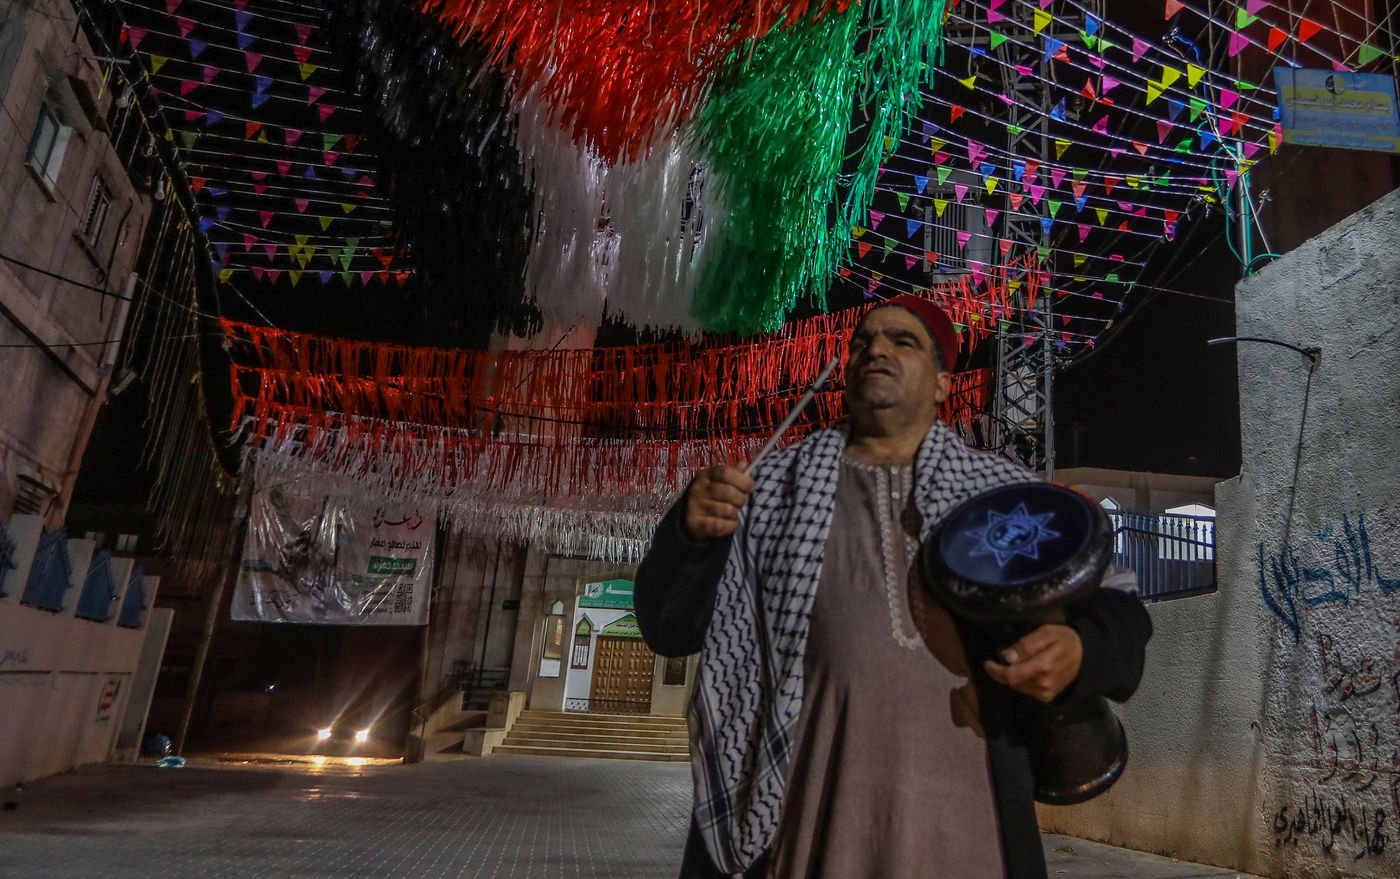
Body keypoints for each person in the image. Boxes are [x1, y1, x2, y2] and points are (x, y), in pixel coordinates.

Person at [634, 295, 1152, 879]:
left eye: (902, 341)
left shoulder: (1004, 496)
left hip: (968, 823)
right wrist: (689, 537)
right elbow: (669, 628)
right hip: (806, 825)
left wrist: (1079, 651)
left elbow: (1118, 607)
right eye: (862, 343)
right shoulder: (766, 492)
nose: (875, 349)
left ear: (942, 384)